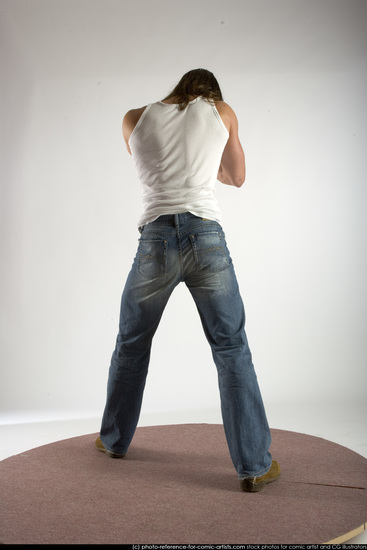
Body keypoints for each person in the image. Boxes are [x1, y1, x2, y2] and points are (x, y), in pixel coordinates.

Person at [95, 68, 280, 492]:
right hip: (207, 238)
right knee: (231, 347)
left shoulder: (134, 118)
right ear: (211, 94)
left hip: (155, 240)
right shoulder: (222, 112)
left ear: (179, 88)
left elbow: (153, 163)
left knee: (131, 342)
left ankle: (114, 442)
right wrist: (208, 157)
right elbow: (235, 176)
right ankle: (253, 466)